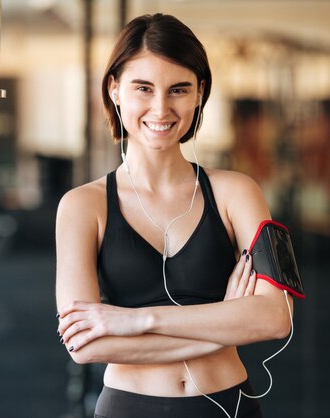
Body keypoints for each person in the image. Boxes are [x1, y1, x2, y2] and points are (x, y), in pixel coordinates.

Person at [55, 13, 293, 418]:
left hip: (228, 407)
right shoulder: (81, 206)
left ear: (200, 92)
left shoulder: (238, 192)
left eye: (178, 89)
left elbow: (276, 317)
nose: (161, 108)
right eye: (143, 89)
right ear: (115, 90)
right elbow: (85, 345)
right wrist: (223, 326)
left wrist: (136, 320)